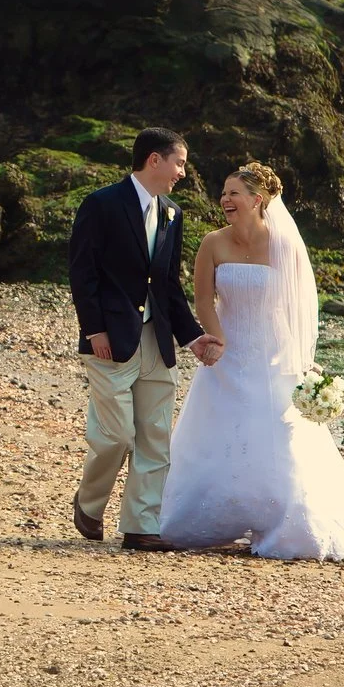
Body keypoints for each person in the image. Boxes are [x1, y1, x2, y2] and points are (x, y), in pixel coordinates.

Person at [158, 161, 344, 562]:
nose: (225, 200)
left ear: (258, 199)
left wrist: (305, 361)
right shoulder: (212, 243)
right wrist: (216, 339)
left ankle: (281, 524)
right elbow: (202, 300)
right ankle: (205, 522)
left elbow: (300, 308)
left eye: (234, 193)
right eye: (224, 193)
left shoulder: (285, 245)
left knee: (278, 439)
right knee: (218, 436)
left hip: (274, 357)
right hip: (227, 356)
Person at [65, 128, 222, 552]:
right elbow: (83, 273)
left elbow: (168, 286)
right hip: (110, 337)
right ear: (154, 160)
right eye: (180, 163)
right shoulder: (100, 205)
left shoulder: (173, 213)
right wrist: (94, 329)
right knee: (117, 435)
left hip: (158, 341)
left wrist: (192, 338)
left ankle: (140, 525)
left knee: (155, 435)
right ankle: (89, 502)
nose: (183, 173)